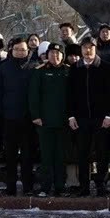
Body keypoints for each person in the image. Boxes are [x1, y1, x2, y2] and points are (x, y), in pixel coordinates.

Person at [67, 36, 110, 197]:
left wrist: (109, 115)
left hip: (101, 118)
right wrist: (71, 116)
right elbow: (70, 94)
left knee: (102, 152)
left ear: (96, 49)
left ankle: (101, 184)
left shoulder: (106, 67)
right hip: (81, 118)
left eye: (91, 48)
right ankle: (84, 185)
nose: (88, 51)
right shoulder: (75, 68)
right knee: (83, 153)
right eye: (85, 48)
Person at [0, 38, 36, 195]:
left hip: (28, 118)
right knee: (10, 155)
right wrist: (0, 112)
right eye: (17, 49)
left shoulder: (33, 67)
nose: (20, 52)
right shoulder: (3, 67)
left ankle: (28, 186)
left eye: (23, 49)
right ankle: (10, 186)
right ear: (11, 50)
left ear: (28, 51)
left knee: (27, 155)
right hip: (9, 117)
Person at [29, 43, 70, 196]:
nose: (55, 56)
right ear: (47, 55)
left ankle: (60, 186)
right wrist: (36, 116)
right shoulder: (39, 72)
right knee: (46, 156)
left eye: (58, 54)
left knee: (61, 155)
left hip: (63, 121)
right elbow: (33, 95)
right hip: (44, 121)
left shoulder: (68, 71)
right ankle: (45, 186)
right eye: (52, 53)